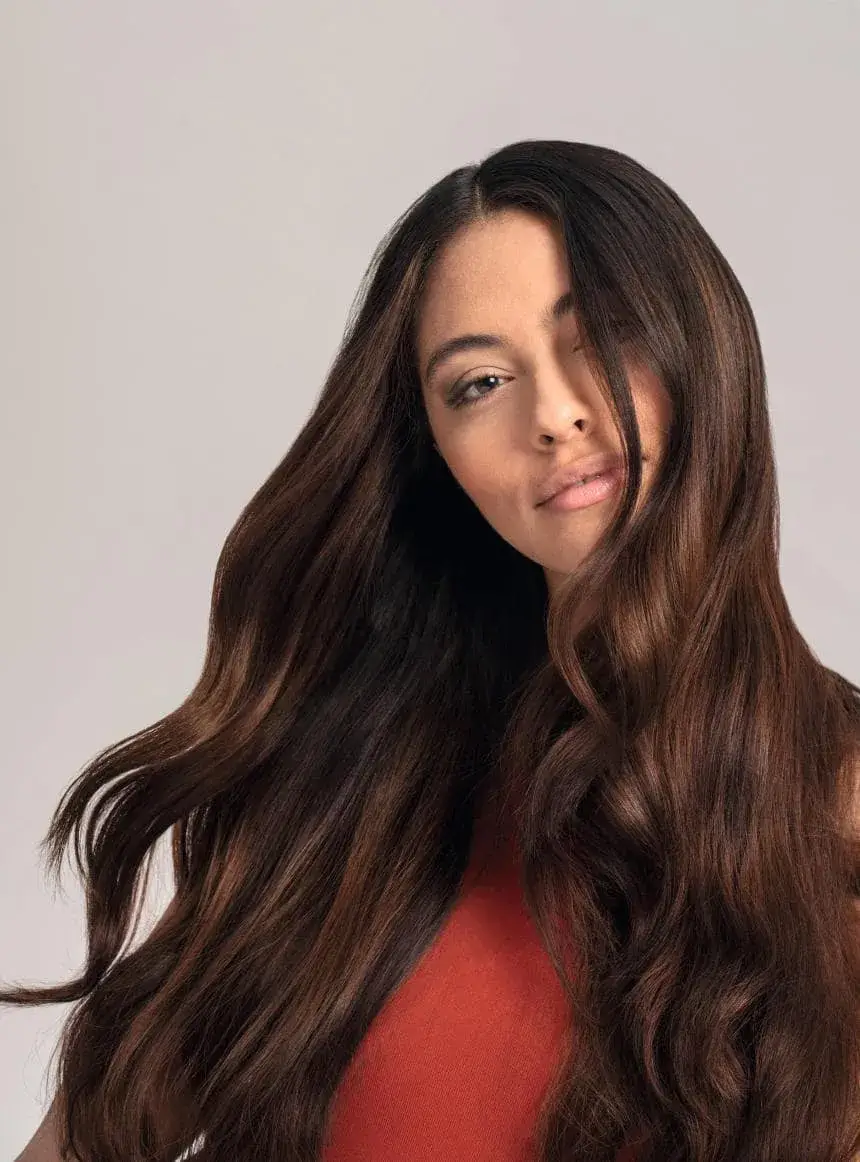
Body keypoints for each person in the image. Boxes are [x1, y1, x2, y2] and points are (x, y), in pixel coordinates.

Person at [6, 139, 860, 1162]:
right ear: (437, 452)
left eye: (601, 336)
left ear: (703, 349)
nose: (555, 415)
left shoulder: (838, 800)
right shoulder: (335, 796)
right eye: (480, 382)